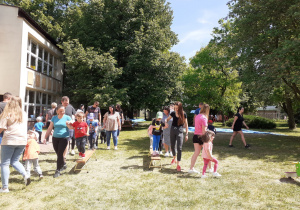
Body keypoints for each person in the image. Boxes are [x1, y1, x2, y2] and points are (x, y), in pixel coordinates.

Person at [0, 96, 31, 193]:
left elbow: (1, 127)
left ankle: (5, 187)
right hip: (22, 140)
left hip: (9, 140)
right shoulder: (24, 113)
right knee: (15, 161)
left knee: (4, 163)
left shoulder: (7, 113)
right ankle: (25, 175)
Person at [44, 104, 72, 178]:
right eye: (61, 111)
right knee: (58, 153)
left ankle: (58, 170)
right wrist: (45, 137)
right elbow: (50, 128)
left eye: (63, 111)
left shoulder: (67, 117)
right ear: (57, 111)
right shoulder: (54, 118)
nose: (62, 112)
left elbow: (71, 127)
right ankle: (64, 164)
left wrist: (69, 124)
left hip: (64, 138)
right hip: (55, 138)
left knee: (60, 154)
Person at [189, 104, 212, 174]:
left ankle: (191, 168)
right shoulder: (204, 118)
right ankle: (210, 168)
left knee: (196, 153)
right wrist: (209, 137)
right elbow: (203, 131)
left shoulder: (197, 116)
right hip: (202, 137)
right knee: (208, 152)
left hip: (195, 136)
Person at [166, 101, 188, 172]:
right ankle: (174, 158)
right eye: (175, 108)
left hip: (180, 131)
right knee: (172, 146)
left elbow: (186, 124)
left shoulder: (184, 114)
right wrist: (165, 122)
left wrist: (187, 134)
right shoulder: (172, 113)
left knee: (179, 148)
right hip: (172, 130)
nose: (176, 109)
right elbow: (167, 119)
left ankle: (178, 164)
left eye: (177, 108)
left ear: (180, 108)